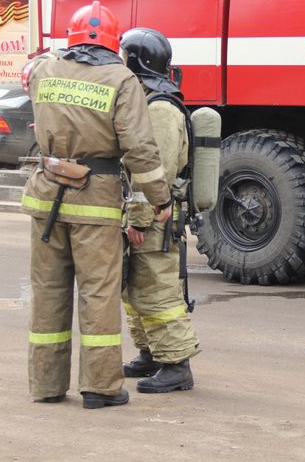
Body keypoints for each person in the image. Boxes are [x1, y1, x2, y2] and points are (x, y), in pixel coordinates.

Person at [21, 2, 173, 409]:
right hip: (95, 202)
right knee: (98, 295)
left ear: (72, 37)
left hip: (46, 196)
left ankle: (46, 385)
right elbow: (140, 149)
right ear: (113, 41)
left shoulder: (43, 69)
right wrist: (161, 199)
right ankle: (101, 388)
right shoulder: (121, 80)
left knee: (48, 292)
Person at [119, 27, 200, 393]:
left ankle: (176, 365)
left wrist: (139, 216)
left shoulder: (162, 109)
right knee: (135, 289)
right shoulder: (148, 100)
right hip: (145, 214)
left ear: (135, 61)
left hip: (155, 217)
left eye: (123, 57)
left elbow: (157, 170)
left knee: (159, 291)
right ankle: (152, 353)